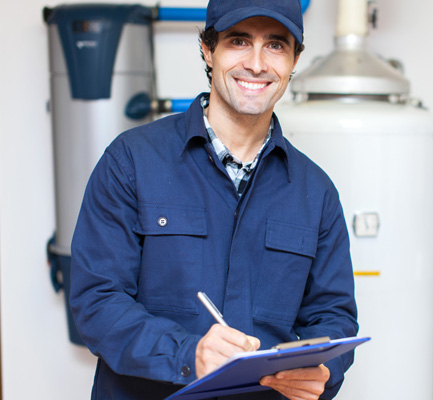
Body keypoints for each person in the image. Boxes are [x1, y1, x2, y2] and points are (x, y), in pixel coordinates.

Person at [69, 0, 358, 399]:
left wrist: (324, 369)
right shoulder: (132, 161)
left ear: (294, 61)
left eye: (275, 45)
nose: (257, 64)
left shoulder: (316, 193)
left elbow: (333, 315)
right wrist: (189, 354)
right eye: (239, 41)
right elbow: (96, 301)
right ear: (208, 49)